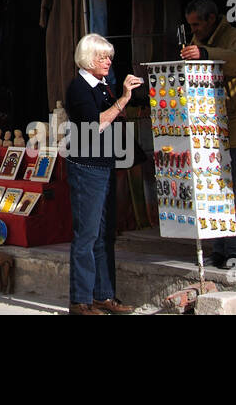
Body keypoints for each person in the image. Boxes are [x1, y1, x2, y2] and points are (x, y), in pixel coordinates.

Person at [64, 34, 142, 315]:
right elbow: (94, 124)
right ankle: (80, 301)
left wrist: (123, 96)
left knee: (105, 235)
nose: (108, 61)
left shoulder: (103, 86)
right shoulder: (79, 88)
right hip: (86, 167)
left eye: (109, 57)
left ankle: (104, 295)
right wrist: (122, 99)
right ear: (88, 60)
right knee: (86, 235)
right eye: (102, 57)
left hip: (105, 164)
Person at [180, 0, 236, 269]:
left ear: (212, 19)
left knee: (232, 190)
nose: (194, 30)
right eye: (191, 25)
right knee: (213, 191)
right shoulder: (198, 41)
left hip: (234, 127)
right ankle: (220, 248)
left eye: (197, 24)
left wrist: (206, 55)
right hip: (208, 129)